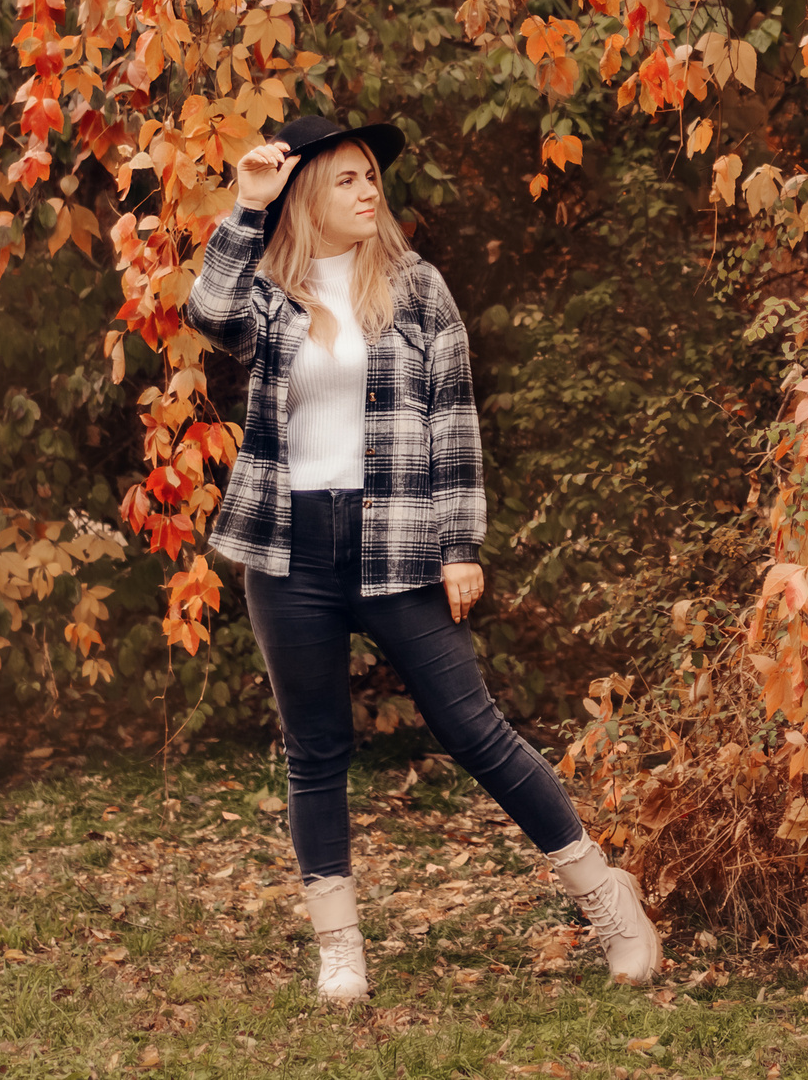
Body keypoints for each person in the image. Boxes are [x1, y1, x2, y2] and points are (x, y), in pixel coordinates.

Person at [184, 112, 661, 1000]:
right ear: (303, 196)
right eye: (347, 178)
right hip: (287, 548)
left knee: (475, 730)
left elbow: (454, 421)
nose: (369, 192)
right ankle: (340, 947)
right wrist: (245, 204)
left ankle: (607, 894)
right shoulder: (266, 291)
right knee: (316, 748)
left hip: (401, 540)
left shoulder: (416, 288)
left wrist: (460, 544)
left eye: (373, 176)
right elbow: (207, 314)